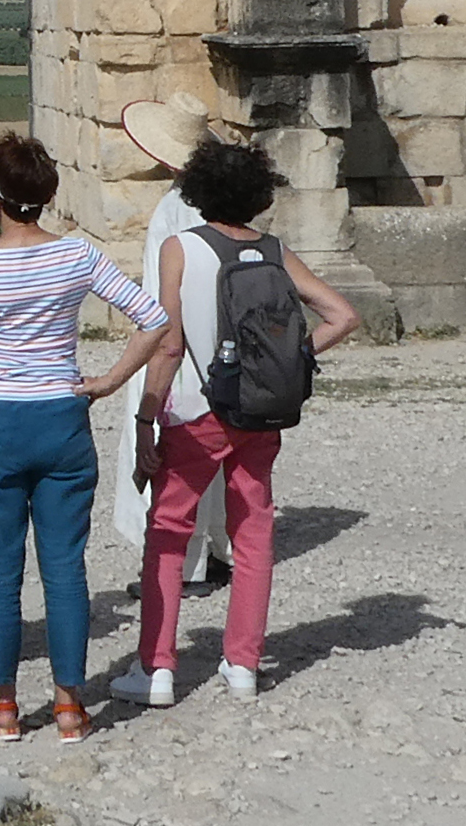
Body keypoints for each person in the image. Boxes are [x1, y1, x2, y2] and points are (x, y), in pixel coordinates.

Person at [111, 135, 365, 708]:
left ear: (199, 190)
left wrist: (147, 417)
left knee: (169, 534)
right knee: (254, 534)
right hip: (260, 413)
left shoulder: (181, 248)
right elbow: (343, 315)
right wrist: (293, 358)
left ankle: (156, 667)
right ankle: (244, 663)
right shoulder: (275, 251)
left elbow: (169, 346)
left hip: (198, 414)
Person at [0, 133, 172, 745]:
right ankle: (71, 705)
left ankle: (3, 705)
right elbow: (152, 318)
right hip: (62, 417)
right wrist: (105, 382)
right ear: (45, 197)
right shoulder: (77, 256)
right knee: (65, 568)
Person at [110, 96, 221, 590]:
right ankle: (220, 545)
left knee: (165, 445)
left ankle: (181, 563)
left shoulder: (174, 209)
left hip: (175, 339)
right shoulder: (217, 202)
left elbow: (162, 293)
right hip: (216, 335)